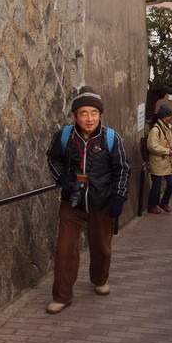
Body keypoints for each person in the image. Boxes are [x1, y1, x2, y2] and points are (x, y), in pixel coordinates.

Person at [46, 87, 130, 314]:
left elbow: (122, 169)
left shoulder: (112, 138)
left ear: (100, 114)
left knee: (102, 249)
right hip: (71, 202)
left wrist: (118, 197)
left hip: (101, 203)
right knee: (64, 248)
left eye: (94, 112)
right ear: (75, 115)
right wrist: (61, 178)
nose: (89, 118)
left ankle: (100, 279)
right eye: (83, 113)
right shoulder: (64, 136)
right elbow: (53, 160)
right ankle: (62, 295)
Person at [147, 104, 172, 214]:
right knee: (156, 186)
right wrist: (166, 151)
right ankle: (152, 205)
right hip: (158, 161)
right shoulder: (156, 129)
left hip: (166, 161)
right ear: (166, 116)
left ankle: (164, 202)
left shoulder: (167, 128)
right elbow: (152, 146)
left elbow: (169, 142)